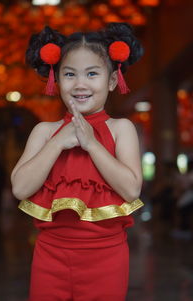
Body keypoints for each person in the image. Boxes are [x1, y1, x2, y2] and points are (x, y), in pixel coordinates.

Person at [11, 23, 144, 301]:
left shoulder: (122, 129)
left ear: (110, 81)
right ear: (57, 79)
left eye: (92, 74)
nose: (80, 84)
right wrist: (59, 141)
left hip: (107, 257)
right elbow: (20, 189)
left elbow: (131, 190)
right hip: (50, 255)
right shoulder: (44, 132)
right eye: (69, 74)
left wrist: (91, 144)